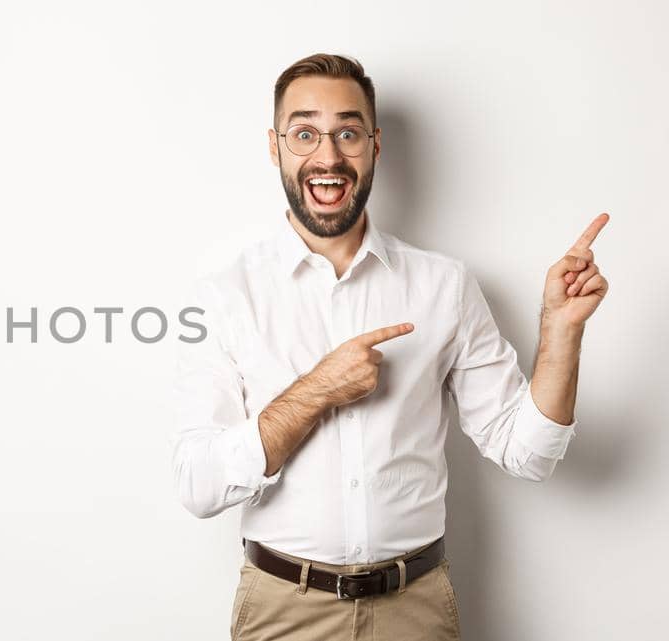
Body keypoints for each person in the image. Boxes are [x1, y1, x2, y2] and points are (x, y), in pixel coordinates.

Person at [170, 53, 609, 641]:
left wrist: (561, 331)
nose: (327, 157)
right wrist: (316, 391)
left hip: (416, 610)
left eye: (347, 133)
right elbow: (198, 483)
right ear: (275, 147)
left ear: (374, 145)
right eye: (305, 133)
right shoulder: (226, 291)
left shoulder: (443, 285)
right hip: (283, 611)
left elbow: (525, 453)